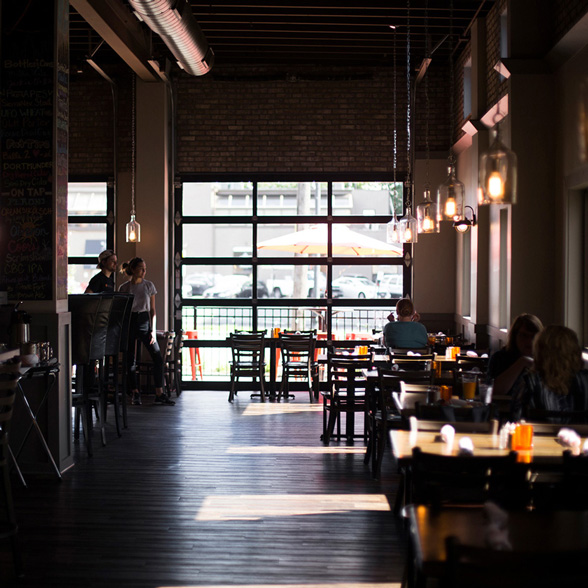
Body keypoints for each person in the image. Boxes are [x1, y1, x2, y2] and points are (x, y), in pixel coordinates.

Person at [118, 257, 175, 406]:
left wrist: (153, 329)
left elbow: (153, 310)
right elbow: (122, 311)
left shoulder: (149, 286)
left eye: (145, 269)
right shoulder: (124, 288)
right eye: (141, 268)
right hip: (130, 321)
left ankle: (159, 393)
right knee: (130, 360)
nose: (144, 271)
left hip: (144, 321)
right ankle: (135, 392)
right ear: (133, 269)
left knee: (157, 358)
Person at [512, 325, 588, 422]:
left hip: (537, 435)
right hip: (581, 436)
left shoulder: (530, 381)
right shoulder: (585, 380)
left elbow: (516, 418)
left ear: (540, 351)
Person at [486, 313, 543, 396]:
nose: (529, 341)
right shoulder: (500, 358)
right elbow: (495, 391)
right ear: (514, 336)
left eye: (534, 336)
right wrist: (522, 362)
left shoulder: (545, 359)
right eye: (524, 335)